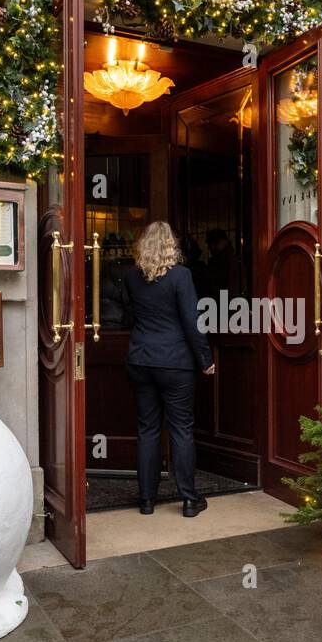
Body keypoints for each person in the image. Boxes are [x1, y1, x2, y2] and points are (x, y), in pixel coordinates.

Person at [122, 221, 215, 518]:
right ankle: (189, 499)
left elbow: (128, 315)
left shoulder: (131, 277)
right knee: (181, 429)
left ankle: (146, 500)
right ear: (170, 245)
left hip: (141, 359)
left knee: (147, 430)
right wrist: (205, 358)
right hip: (175, 362)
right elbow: (192, 321)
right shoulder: (181, 276)